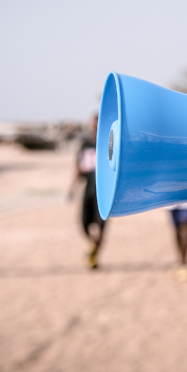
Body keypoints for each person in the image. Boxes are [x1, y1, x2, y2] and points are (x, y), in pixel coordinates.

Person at [68, 115, 106, 269]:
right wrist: (72, 189)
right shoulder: (85, 144)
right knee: (84, 224)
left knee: (101, 226)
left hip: (104, 194)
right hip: (88, 191)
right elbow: (78, 169)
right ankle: (92, 246)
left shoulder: (108, 145)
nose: (95, 127)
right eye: (94, 125)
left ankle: (94, 255)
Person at [168, 201, 187, 281]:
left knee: (184, 226)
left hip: (186, 196)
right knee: (177, 228)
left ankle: (184, 263)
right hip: (171, 196)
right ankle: (182, 261)